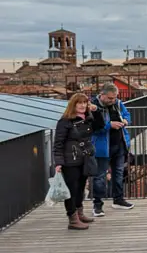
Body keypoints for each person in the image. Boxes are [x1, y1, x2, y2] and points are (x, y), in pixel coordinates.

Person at [53, 93, 105, 230]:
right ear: (73, 105)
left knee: (81, 187)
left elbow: (100, 125)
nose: (82, 105)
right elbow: (58, 143)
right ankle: (72, 218)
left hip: (85, 158)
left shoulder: (87, 118)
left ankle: (79, 213)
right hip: (70, 160)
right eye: (79, 103)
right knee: (72, 190)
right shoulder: (65, 121)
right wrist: (59, 162)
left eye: (85, 102)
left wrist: (97, 110)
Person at [91, 83, 134, 216]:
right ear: (102, 95)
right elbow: (94, 128)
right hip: (102, 147)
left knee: (119, 173)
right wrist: (110, 125)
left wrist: (125, 121)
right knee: (100, 177)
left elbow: (127, 115)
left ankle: (118, 200)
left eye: (115, 98)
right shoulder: (93, 106)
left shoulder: (118, 104)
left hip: (119, 144)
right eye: (110, 98)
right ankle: (97, 205)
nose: (113, 100)